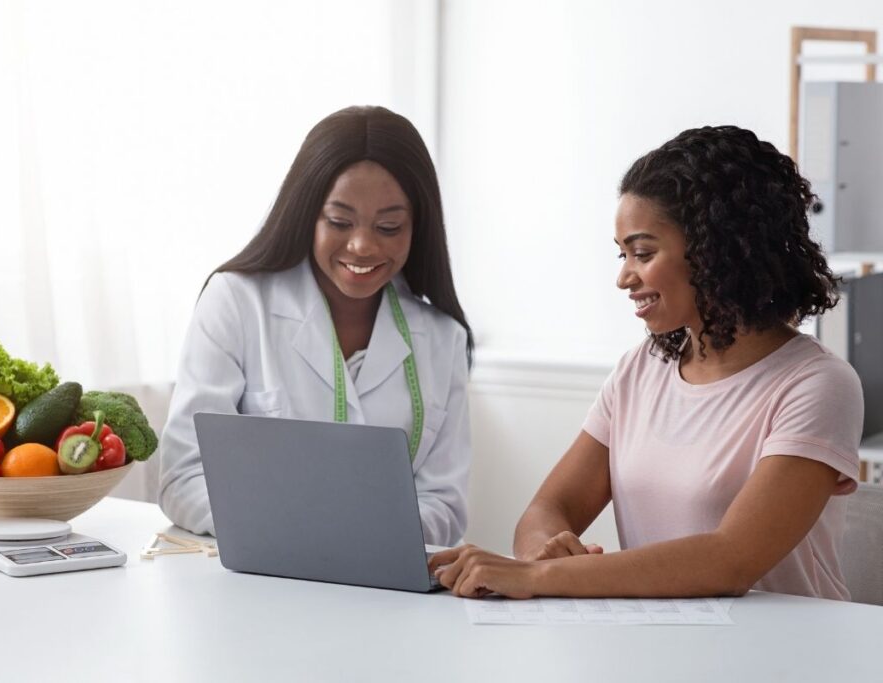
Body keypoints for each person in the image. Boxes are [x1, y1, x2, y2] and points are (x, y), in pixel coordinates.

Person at [430, 125, 864, 600]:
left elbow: (730, 560)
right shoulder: (640, 370)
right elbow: (548, 507)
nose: (624, 278)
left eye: (642, 253)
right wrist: (542, 552)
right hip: (661, 645)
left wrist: (536, 578)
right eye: (622, 255)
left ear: (716, 249)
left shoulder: (817, 384)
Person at [158, 106, 474, 546]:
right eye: (339, 222)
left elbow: (444, 501)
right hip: (263, 579)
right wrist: (293, 532)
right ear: (307, 213)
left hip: (384, 586)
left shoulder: (444, 339)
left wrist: (368, 538)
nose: (362, 245)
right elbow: (186, 475)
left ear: (416, 227)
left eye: (389, 226)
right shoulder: (234, 301)